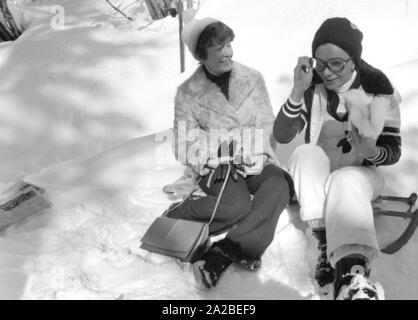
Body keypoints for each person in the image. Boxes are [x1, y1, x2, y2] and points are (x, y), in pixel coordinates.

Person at [273, 17, 401, 300]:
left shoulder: (378, 89)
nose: (327, 73)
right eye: (320, 63)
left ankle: (352, 275)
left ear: (353, 60)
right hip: (319, 177)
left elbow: (393, 149)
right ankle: (324, 239)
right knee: (304, 152)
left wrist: (371, 152)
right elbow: (282, 135)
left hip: (361, 177)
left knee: (345, 179)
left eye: (336, 64)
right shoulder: (312, 87)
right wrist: (297, 90)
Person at [166, 17, 293, 290]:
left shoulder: (252, 78)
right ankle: (179, 213)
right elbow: (183, 144)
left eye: (228, 44)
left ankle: (228, 250)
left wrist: (249, 150)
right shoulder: (188, 93)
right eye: (217, 47)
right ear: (202, 54)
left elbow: (266, 124)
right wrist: (219, 153)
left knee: (280, 184)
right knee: (236, 206)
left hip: (254, 158)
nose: (227, 52)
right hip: (218, 165)